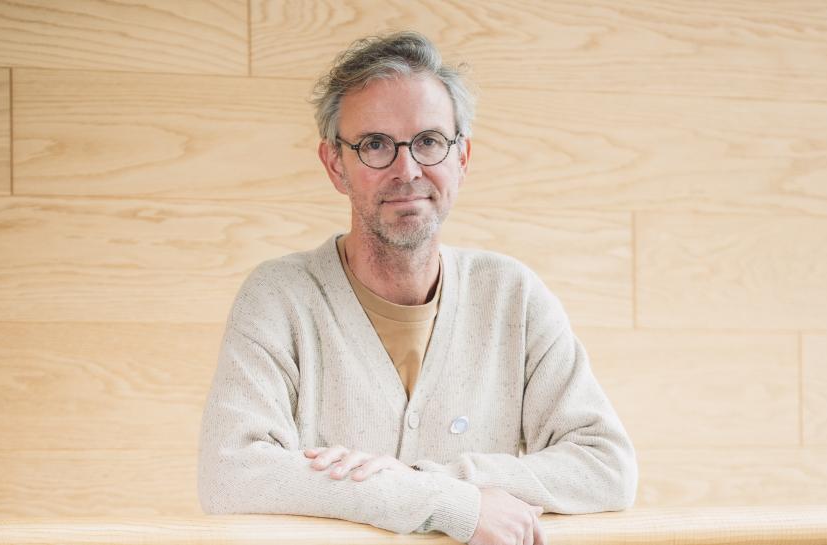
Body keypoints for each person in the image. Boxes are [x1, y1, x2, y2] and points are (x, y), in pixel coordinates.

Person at [197, 31, 637, 545]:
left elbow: (606, 466)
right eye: (375, 145)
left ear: (461, 157)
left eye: (429, 141)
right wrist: (448, 504)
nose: (406, 171)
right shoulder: (278, 297)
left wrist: (424, 480)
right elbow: (230, 474)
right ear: (336, 165)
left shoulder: (512, 295)